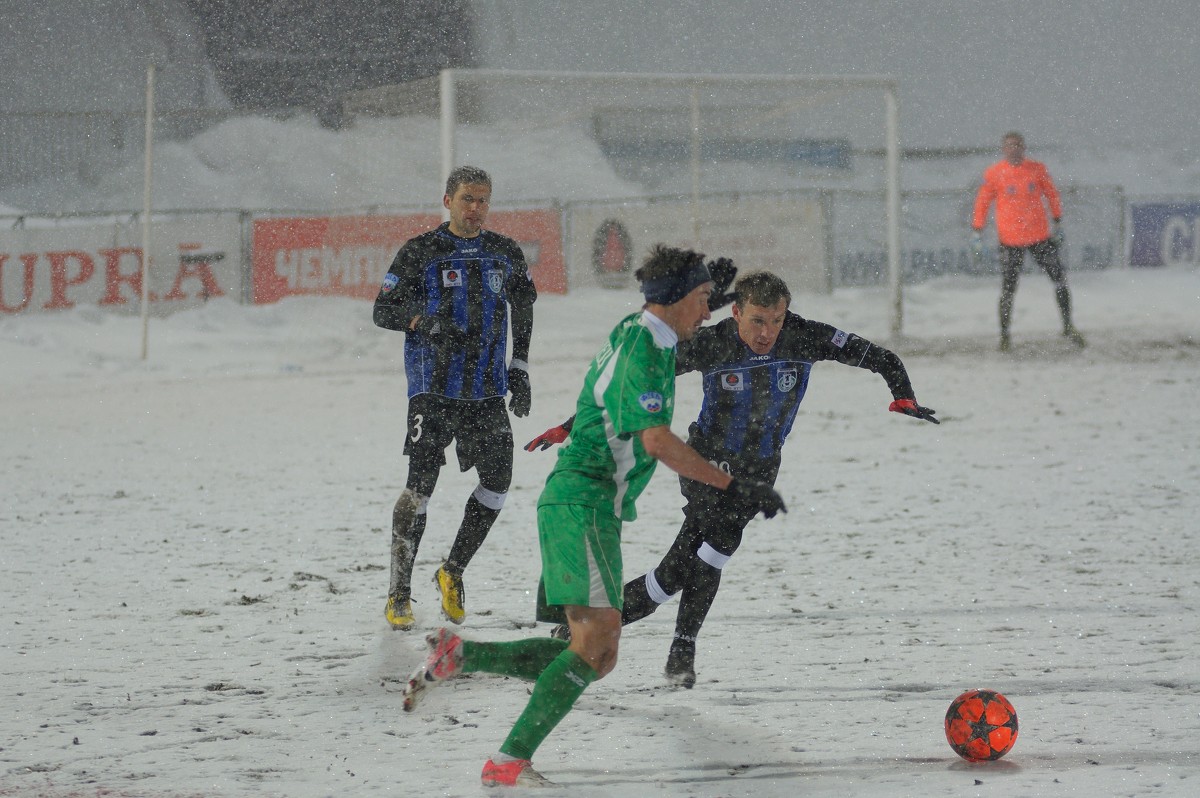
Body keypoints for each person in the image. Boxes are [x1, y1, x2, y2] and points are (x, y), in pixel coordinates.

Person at [400, 246, 787, 788]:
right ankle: (506, 760)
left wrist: (703, 296)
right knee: (597, 647)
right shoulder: (647, 354)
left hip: (582, 505)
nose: (709, 313)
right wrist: (735, 484)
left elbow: (669, 325)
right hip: (582, 503)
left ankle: (461, 656)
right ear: (676, 299)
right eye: (703, 302)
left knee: (591, 652)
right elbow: (656, 441)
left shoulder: (638, 326)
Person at [527, 269, 939, 687]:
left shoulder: (806, 336)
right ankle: (681, 649)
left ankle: (586, 632)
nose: (767, 333)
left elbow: (880, 357)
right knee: (715, 547)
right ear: (738, 312)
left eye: (776, 321)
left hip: (759, 471)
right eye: (758, 321)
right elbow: (632, 384)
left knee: (672, 575)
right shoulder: (713, 342)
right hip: (706, 461)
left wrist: (902, 394)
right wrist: (571, 424)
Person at [373, 165, 537, 631]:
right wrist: (424, 322)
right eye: (467, 198)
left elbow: (522, 306)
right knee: (420, 487)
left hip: (486, 390)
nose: (475, 208)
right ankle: (399, 593)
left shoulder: (504, 252)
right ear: (447, 200)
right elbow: (383, 309)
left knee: (499, 482)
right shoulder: (421, 251)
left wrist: (520, 368)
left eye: (483, 199)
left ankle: (453, 570)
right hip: (433, 389)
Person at [971, 131, 1085, 352]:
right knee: (1008, 289)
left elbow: (1052, 194)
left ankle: (1068, 325)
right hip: (1010, 240)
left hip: (1039, 237)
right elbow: (982, 202)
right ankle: (1004, 337)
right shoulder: (995, 173)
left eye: (1018, 145)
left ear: (1024, 148)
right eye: (1009, 145)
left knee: (1059, 279)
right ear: (1004, 149)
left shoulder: (1037, 169)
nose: (1014, 149)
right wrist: (977, 231)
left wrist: (1058, 221)